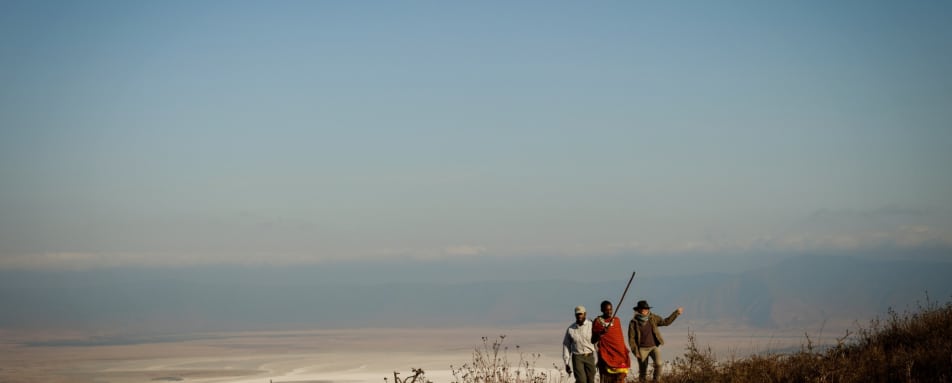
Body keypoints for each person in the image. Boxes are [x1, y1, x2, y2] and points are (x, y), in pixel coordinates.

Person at [627, 300, 683, 383]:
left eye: (645, 309)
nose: (644, 310)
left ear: (648, 309)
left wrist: (676, 313)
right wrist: (636, 352)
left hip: (654, 346)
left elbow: (665, 322)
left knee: (659, 364)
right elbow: (631, 339)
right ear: (638, 310)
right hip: (642, 349)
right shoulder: (633, 322)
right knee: (643, 371)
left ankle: (656, 381)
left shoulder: (653, 318)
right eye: (642, 309)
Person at [592, 300, 631, 383]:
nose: (609, 312)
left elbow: (619, 339)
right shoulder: (598, 322)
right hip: (605, 354)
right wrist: (601, 333)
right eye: (607, 310)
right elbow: (593, 340)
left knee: (620, 378)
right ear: (602, 310)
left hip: (619, 354)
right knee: (607, 378)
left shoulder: (616, 320)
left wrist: (623, 350)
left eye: (611, 309)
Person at [562, 305, 596, 383]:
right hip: (577, 357)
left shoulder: (591, 325)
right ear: (575, 315)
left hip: (589, 356)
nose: (579, 316)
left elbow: (597, 342)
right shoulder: (571, 329)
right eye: (577, 314)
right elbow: (566, 345)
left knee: (591, 380)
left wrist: (600, 357)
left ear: (585, 314)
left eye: (581, 314)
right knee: (581, 380)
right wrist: (566, 362)